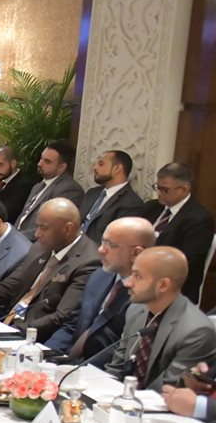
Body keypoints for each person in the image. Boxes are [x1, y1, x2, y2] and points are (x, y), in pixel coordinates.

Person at [0, 198, 99, 340]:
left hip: (34, 337)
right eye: (37, 226)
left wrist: (12, 332)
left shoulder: (88, 262)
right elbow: (10, 287)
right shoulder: (40, 247)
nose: (37, 234)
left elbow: (60, 317)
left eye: (43, 227)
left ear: (67, 229)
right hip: (6, 323)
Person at [46, 216, 156, 361]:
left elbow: (122, 350)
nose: (101, 249)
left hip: (99, 369)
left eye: (111, 245)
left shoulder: (148, 295)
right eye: (103, 241)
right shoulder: (99, 275)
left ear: (136, 253)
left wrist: (76, 369)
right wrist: (46, 354)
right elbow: (73, 325)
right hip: (68, 360)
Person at [105, 247, 216, 390]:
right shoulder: (136, 310)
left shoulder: (196, 332)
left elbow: (166, 389)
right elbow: (117, 368)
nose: (128, 283)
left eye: (138, 276)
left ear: (163, 285)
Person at [143, 162, 214, 300]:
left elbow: (185, 263)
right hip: (137, 275)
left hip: (170, 287)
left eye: (165, 190)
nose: (159, 193)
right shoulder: (151, 207)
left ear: (184, 189)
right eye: (157, 187)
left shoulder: (199, 219)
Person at [14, 141, 85, 236]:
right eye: (41, 158)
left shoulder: (69, 189)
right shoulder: (38, 186)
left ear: (62, 167)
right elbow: (23, 217)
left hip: (36, 242)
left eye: (47, 161)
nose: (39, 163)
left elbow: (51, 228)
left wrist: (16, 237)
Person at [77, 149, 145, 242]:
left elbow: (116, 241)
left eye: (101, 164)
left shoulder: (131, 204)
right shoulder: (92, 193)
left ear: (117, 169)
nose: (95, 168)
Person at [0, 145, 39, 226]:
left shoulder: (24, 184)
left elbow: (5, 215)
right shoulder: (0, 181)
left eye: (0, 164)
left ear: (13, 163)